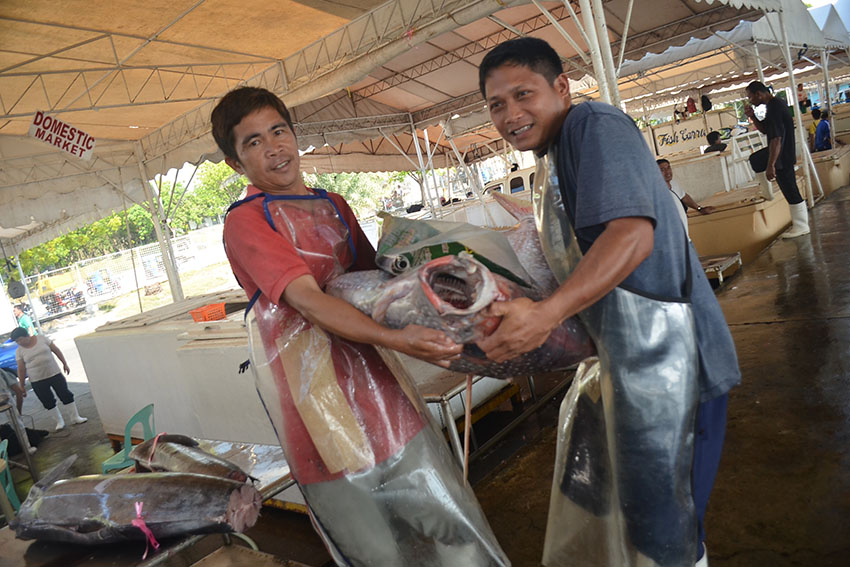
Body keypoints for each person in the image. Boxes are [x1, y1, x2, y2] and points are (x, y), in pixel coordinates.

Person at [212, 87, 508, 567]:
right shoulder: (246, 222)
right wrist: (397, 339)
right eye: (253, 142)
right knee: (376, 553)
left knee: (449, 521)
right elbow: (308, 300)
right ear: (235, 163)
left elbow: (380, 283)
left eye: (279, 131)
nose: (273, 148)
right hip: (317, 411)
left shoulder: (335, 205)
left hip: (382, 392)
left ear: (294, 135)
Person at [478, 37, 740, 567]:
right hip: (626, 366)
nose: (511, 114)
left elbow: (630, 236)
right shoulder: (550, 160)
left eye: (523, 94)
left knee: (670, 530)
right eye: (496, 105)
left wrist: (546, 316)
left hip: (674, 366)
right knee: (638, 519)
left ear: (561, 87)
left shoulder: (592, 127)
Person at [744, 81, 810, 238]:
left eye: (750, 96)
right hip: (782, 153)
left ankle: (801, 225)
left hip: (782, 155)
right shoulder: (774, 105)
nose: (750, 100)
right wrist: (752, 116)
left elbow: (776, 139)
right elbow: (767, 130)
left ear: (759, 94)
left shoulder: (774, 107)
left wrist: (771, 164)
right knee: (756, 160)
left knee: (790, 189)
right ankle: (768, 193)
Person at [11, 327, 86, 431]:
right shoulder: (19, 351)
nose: (19, 342)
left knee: (65, 394)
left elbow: (56, 350)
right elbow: (21, 368)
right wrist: (22, 385)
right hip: (37, 379)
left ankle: (75, 417)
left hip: (54, 373)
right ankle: (59, 421)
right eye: (16, 341)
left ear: (27, 336)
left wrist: (65, 363)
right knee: (47, 400)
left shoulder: (41, 339)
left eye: (20, 339)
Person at [657, 158, 715, 237]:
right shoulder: (657, 192)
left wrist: (699, 209)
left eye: (668, 168)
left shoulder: (673, 184)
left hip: (684, 234)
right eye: (662, 170)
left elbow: (684, 197)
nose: (667, 172)